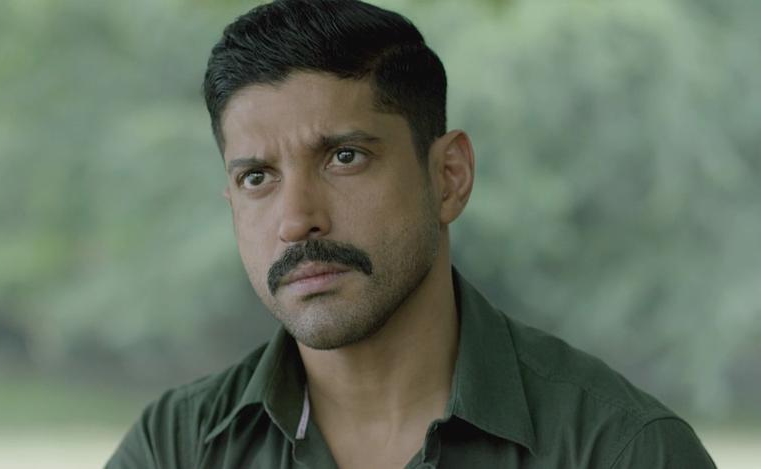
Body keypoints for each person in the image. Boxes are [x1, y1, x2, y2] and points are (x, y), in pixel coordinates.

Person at [106, 0, 716, 467]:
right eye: (257, 177)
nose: (295, 220)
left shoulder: (622, 451)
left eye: (344, 157)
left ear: (449, 177)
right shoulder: (174, 448)